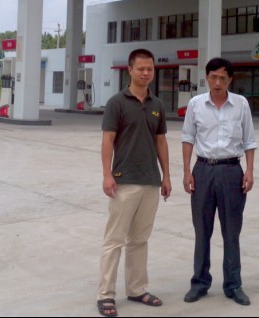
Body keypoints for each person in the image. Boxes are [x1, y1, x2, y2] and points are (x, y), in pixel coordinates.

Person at [97, 48, 172, 317]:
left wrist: (166, 176)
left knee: (140, 239)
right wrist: (107, 174)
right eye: (140, 68)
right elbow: (107, 141)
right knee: (114, 240)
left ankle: (137, 289)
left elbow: (161, 142)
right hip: (124, 181)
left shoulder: (157, 105)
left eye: (150, 69)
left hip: (150, 181)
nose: (145, 73)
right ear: (129, 70)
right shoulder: (116, 103)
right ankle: (106, 294)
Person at [181, 57, 257, 306]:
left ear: (230, 80)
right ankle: (200, 283)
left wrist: (249, 170)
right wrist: (186, 171)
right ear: (206, 78)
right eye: (213, 77)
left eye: (222, 78)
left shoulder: (241, 104)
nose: (217, 83)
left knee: (231, 231)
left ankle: (233, 285)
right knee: (202, 230)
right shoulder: (195, 104)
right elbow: (188, 138)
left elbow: (249, 140)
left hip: (232, 171)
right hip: (203, 170)